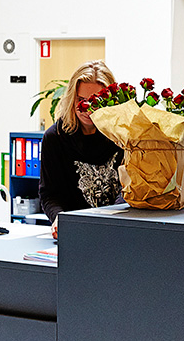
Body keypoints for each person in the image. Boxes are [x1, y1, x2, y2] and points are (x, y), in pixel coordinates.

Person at [39, 61, 122, 238]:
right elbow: (50, 194)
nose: (87, 109)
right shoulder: (54, 138)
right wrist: (58, 219)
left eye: (95, 101)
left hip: (117, 230)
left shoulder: (122, 135)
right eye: (81, 100)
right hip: (75, 232)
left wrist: (114, 221)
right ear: (72, 98)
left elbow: (130, 189)